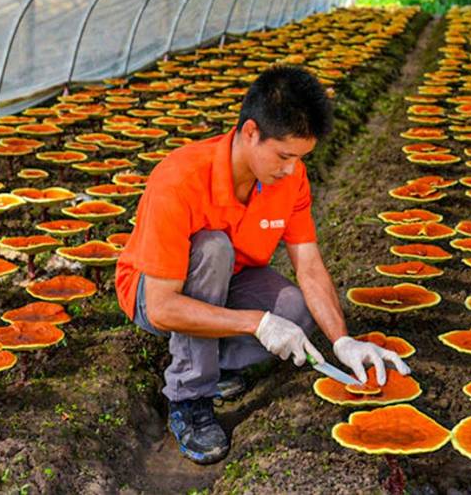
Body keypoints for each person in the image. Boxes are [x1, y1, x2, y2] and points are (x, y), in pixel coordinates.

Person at [114, 65, 410, 465]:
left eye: (301, 158)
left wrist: (342, 340)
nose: (292, 169)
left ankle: (213, 363)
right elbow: (164, 307)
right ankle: (189, 398)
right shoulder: (179, 179)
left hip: (231, 281)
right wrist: (256, 323)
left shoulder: (291, 178)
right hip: (158, 291)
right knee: (214, 249)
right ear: (251, 132)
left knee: (295, 309)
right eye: (284, 155)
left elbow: (308, 266)